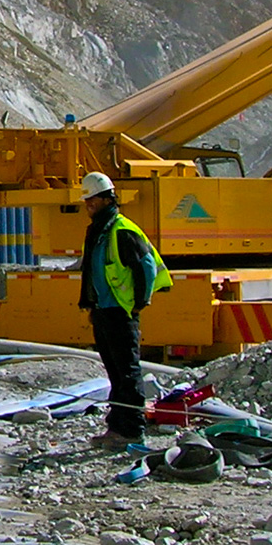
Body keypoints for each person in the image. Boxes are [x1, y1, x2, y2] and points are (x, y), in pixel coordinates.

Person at [75, 170, 172, 449]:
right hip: (103, 309)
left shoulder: (122, 230)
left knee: (127, 373)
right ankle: (117, 426)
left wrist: (140, 301)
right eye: (87, 201)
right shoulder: (99, 231)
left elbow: (146, 267)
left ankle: (132, 430)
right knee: (115, 372)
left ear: (106, 199)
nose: (88, 205)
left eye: (92, 200)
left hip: (121, 311)